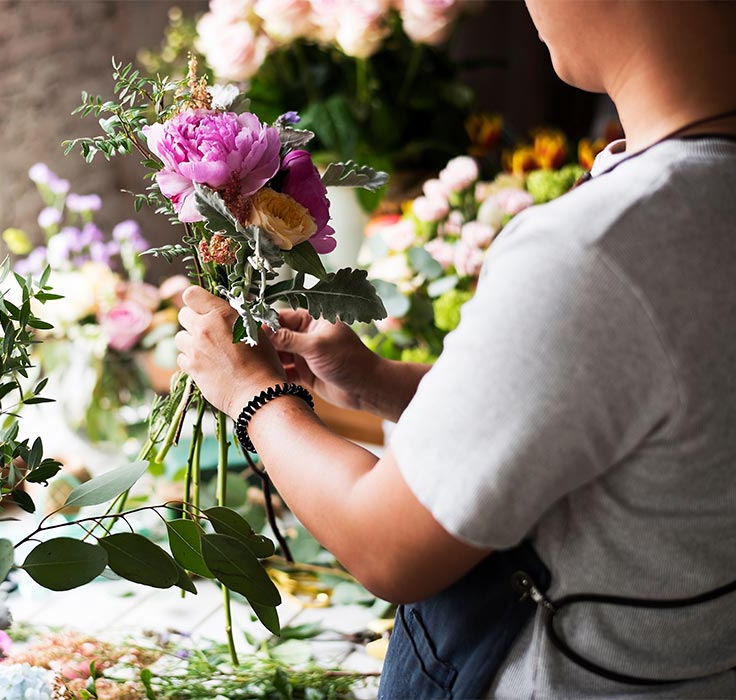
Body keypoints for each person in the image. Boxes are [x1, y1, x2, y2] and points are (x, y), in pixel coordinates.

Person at [175, 1, 736, 697]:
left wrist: (250, 393)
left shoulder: (600, 249)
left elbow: (384, 546)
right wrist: (377, 382)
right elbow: (626, 425)